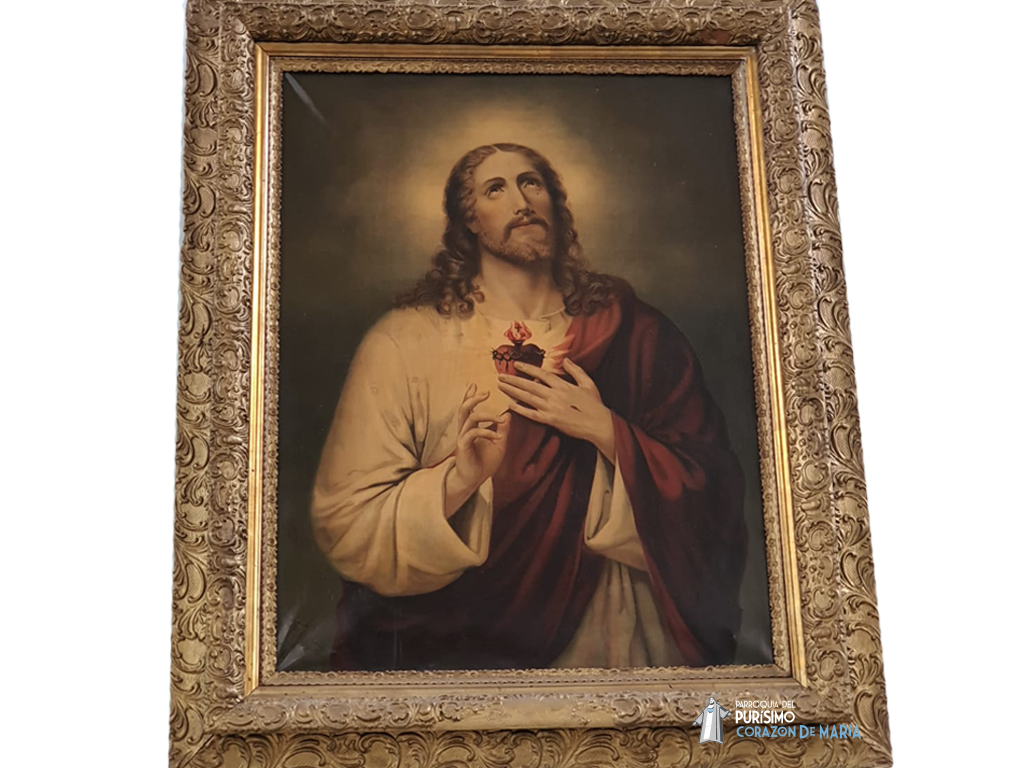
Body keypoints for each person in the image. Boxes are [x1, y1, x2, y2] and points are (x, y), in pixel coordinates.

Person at [311, 142, 747, 672]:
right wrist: (457, 482)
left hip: (614, 637)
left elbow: (714, 493)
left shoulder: (632, 330)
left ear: (555, 204)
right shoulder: (404, 341)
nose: (521, 202)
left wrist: (608, 433)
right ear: (469, 220)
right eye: (496, 189)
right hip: (461, 649)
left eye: (531, 183)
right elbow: (347, 523)